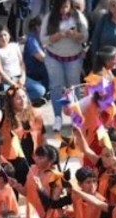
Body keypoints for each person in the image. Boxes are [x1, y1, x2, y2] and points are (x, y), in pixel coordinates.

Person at [41, 0, 88, 133]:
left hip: (74, 57)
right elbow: (43, 39)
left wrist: (75, 35)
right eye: (60, 7)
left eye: (66, 7)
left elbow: (85, 36)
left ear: (70, 5)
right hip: (54, 57)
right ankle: (57, 117)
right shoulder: (49, 17)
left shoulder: (78, 16)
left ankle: (75, 116)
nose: (63, 10)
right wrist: (58, 35)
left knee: (73, 87)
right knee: (56, 87)